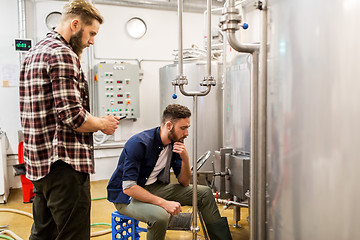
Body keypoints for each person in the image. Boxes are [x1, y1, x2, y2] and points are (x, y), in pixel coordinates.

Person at [19, 0, 119, 239]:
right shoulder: (63, 54)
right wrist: (103, 124)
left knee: (44, 233)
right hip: (64, 165)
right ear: (75, 24)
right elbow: (72, 115)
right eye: (91, 33)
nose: (92, 40)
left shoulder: (35, 51)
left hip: (39, 165)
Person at [107, 104, 232, 240]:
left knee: (204, 193)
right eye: (183, 128)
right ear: (168, 126)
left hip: (154, 188)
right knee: (160, 216)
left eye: (187, 128)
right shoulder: (139, 143)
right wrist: (164, 203)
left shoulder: (175, 144)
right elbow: (129, 188)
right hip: (126, 197)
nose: (187, 133)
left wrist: (185, 159)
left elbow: (184, 182)